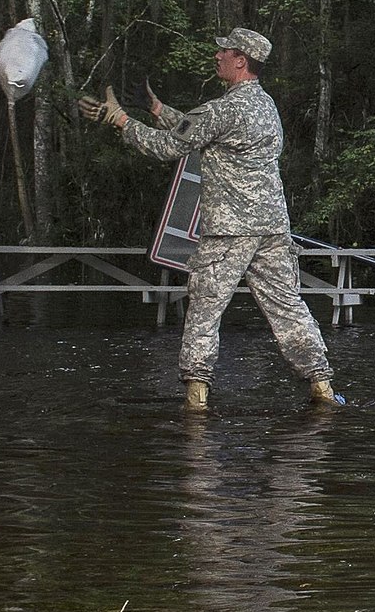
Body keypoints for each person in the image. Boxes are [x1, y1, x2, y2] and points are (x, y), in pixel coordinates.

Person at [78, 28, 337, 410]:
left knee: (203, 312)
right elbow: (205, 132)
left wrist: (119, 120)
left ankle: (196, 398)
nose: (217, 57)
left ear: (241, 61)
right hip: (272, 230)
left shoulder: (222, 109)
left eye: (224, 52)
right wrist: (158, 110)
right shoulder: (266, 107)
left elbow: (168, 147)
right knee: (289, 308)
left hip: (229, 233)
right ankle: (323, 387)